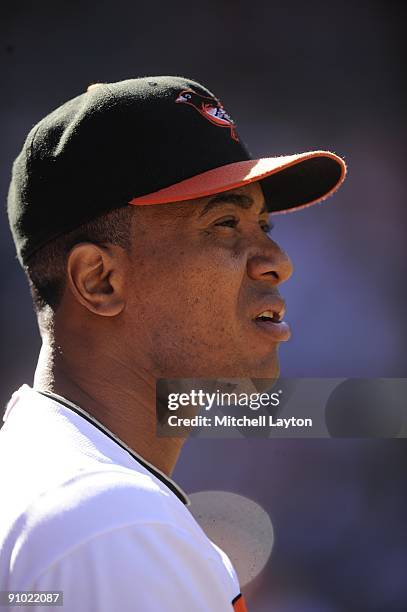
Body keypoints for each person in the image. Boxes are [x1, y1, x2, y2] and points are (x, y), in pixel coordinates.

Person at [1, 76, 346, 611]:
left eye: (264, 223)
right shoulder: (111, 523)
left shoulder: (61, 484)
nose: (278, 261)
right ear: (100, 281)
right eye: (226, 223)